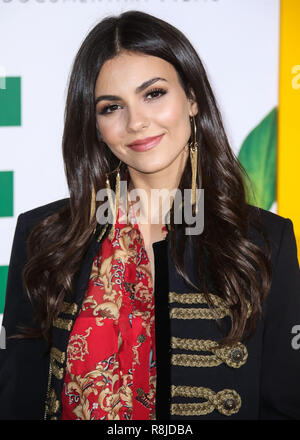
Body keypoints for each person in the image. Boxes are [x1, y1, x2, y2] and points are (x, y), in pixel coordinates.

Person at [0, 9, 300, 421]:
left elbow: (284, 405)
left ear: (192, 99)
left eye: (154, 94)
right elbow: (18, 399)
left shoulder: (265, 240)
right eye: (111, 107)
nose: (136, 122)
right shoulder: (44, 236)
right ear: (94, 123)